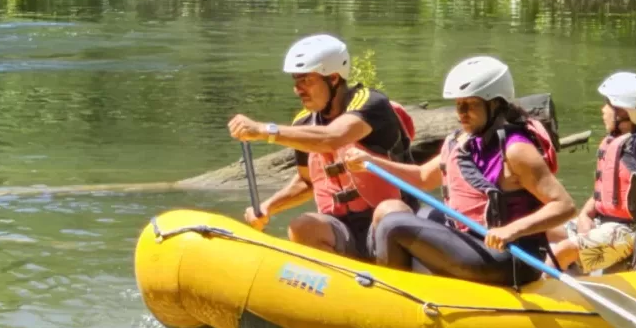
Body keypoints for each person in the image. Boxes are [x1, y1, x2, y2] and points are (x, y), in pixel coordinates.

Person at [347, 56, 575, 285]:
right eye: (459, 104)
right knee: (392, 211)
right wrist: (372, 162)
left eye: (471, 104)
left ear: (495, 104)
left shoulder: (516, 150)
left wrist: (511, 230)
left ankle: (395, 295)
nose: (462, 113)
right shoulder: (459, 141)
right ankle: (409, 283)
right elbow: (423, 178)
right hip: (471, 239)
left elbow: (564, 206)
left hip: (509, 256)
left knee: (393, 225)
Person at [227, 34, 414, 258]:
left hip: (388, 219)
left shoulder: (371, 103)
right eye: (296, 81)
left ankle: (394, 281)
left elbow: (332, 138)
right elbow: (308, 182)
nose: (298, 89)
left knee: (389, 213)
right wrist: (268, 207)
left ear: (333, 78)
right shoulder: (304, 123)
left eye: (306, 80)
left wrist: (264, 130)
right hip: (341, 226)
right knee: (301, 226)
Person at [549, 73, 636, 272]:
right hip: (602, 222)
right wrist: (585, 215)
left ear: (624, 111)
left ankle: (538, 294)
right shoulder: (617, 140)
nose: (603, 110)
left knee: (563, 250)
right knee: (541, 231)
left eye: (608, 104)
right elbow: (605, 189)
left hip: (627, 232)